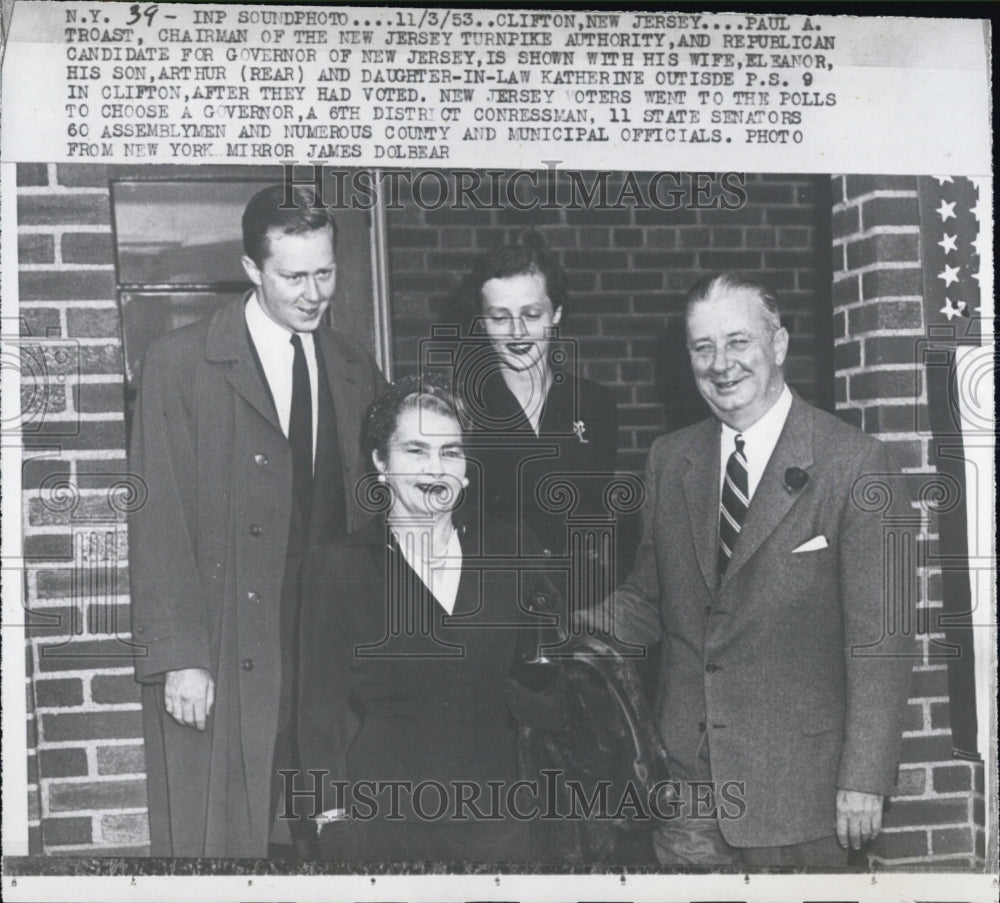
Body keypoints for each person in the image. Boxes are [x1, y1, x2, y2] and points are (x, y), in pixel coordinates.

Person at [598, 274, 914, 868]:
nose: (721, 364)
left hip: (801, 793)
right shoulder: (669, 459)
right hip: (687, 787)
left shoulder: (856, 464)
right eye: (703, 347)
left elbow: (882, 641)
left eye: (738, 341)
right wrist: (560, 626)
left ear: (779, 344)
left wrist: (865, 777)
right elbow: (649, 597)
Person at [129, 184, 384, 857]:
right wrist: (181, 656)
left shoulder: (355, 366)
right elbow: (159, 519)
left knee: (330, 840)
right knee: (226, 840)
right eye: (293, 277)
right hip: (227, 647)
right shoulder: (179, 364)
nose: (313, 294)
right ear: (251, 268)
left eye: (325, 273)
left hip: (326, 652)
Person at [297, 376, 550, 862]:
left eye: (450, 452)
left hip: (502, 824)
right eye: (416, 450)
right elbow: (318, 720)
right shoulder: (337, 567)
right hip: (387, 827)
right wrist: (332, 824)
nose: (436, 468)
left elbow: (545, 680)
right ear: (380, 462)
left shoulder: (509, 550)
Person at [455, 231, 619, 593]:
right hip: (494, 600)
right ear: (482, 322)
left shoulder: (596, 405)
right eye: (500, 318)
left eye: (531, 315)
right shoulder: (460, 411)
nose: (517, 332)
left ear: (556, 314)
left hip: (584, 599)